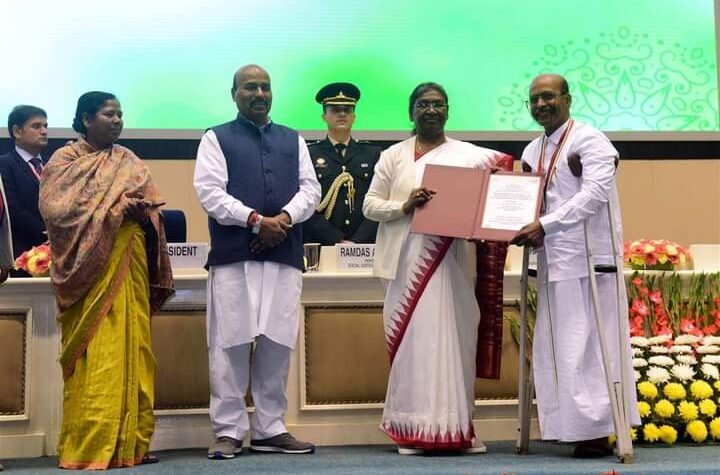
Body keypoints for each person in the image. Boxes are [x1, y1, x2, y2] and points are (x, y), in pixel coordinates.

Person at [39, 91, 175, 469]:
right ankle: (89, 444)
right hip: (89, 273)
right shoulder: (64, 161)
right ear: (86, 119)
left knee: (135, 348)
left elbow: (153, 207)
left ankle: (131, 443)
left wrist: (143, 211)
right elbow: (56, 211)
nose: (116, 120)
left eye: (120, 114)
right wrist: (116, 209)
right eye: (108, 114)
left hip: (129, 259)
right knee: (99, 354)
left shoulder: (128, 160)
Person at [194, 64, 320, 459]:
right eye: (250, 87)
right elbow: (210, 193)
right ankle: (228, 430)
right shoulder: (216, 138)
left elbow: (311, 190)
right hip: (234, 258)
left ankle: (270, 429)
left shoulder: (292, 138)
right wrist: (254, 221)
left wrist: (282, 219)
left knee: (276, 343)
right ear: (234, 93)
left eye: (265, 87)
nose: (259, 94)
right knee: (229, 344)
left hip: (283, 255)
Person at [363, 82, 496, 455]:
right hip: (405, 266)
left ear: (448, 111)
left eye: (438, 104)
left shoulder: (469, 157)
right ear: (411, 112)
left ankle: (455, 428)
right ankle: (412, 429)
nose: (431, 110)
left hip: (451, 264)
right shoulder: (393, 156)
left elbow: (488, 196)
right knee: (416, 347)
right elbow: (370, 205)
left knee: (453, 342)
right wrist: (404, 206)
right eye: (423, 104)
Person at [511, 74, 639, 457]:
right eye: (534, 99)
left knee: (591, 348)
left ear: (567, 99)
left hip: (591, 261)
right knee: (560, 347)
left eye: (548, 97)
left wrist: (545, 225)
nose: (541, 105)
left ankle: (597, 431)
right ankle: (567, 427)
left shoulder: (590, 140)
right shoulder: (532, 150)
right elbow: (529, 201)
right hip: (552, 261)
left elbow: (596, 193)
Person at [303, 82, 380, 244]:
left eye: (347, 110)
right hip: (322, 242)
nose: (342, 114)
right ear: (324, 116)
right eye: (335, 110)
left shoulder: (371, 154)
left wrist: (357, 242)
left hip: (364, 245)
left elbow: (379, 200)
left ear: (354, 117)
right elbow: (305, 203)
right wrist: (336, 239)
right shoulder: (309, 154)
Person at [0, 105, 48, 276]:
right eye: (36, 126)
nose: (44, 131)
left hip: (58, 253)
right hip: (22, 254)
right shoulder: (4, 164)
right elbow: (12, 209)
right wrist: (47, 233)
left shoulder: (54, 164)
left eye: (45, 126)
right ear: (17, 131)